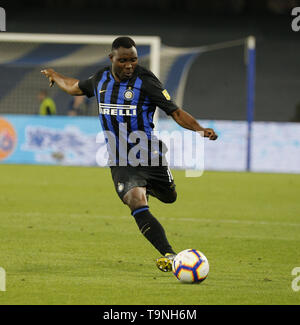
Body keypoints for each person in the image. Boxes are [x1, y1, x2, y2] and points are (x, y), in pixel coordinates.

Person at [41, 36, 218, 273]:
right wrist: (55, 76)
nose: (129, 65)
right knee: (136, 202)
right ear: (111, 58)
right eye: (123, 60)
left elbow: (174, 111)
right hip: (119, 158)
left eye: (133, 60)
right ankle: (170, 255)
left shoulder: (145, 81)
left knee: (170, 197)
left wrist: (199, 129)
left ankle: (148, 186)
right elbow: (75, 87)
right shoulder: (101, 78)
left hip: (148, 153)